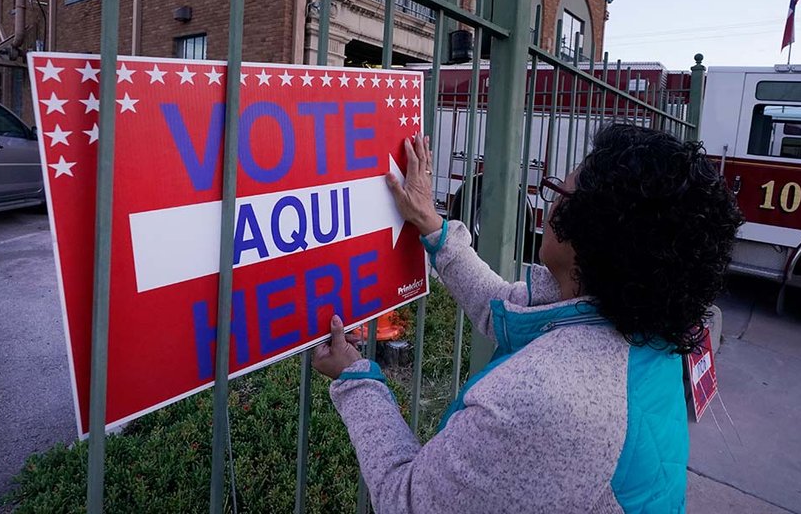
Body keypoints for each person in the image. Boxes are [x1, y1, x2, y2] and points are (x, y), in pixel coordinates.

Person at [312, 124, 743, 513]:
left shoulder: (544, 400)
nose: (551, 207)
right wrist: (432, 225)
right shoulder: (644, 324)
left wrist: (355, 379)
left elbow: (406, 501)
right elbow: (501, 306)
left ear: (592, 234)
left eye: (559, 192)